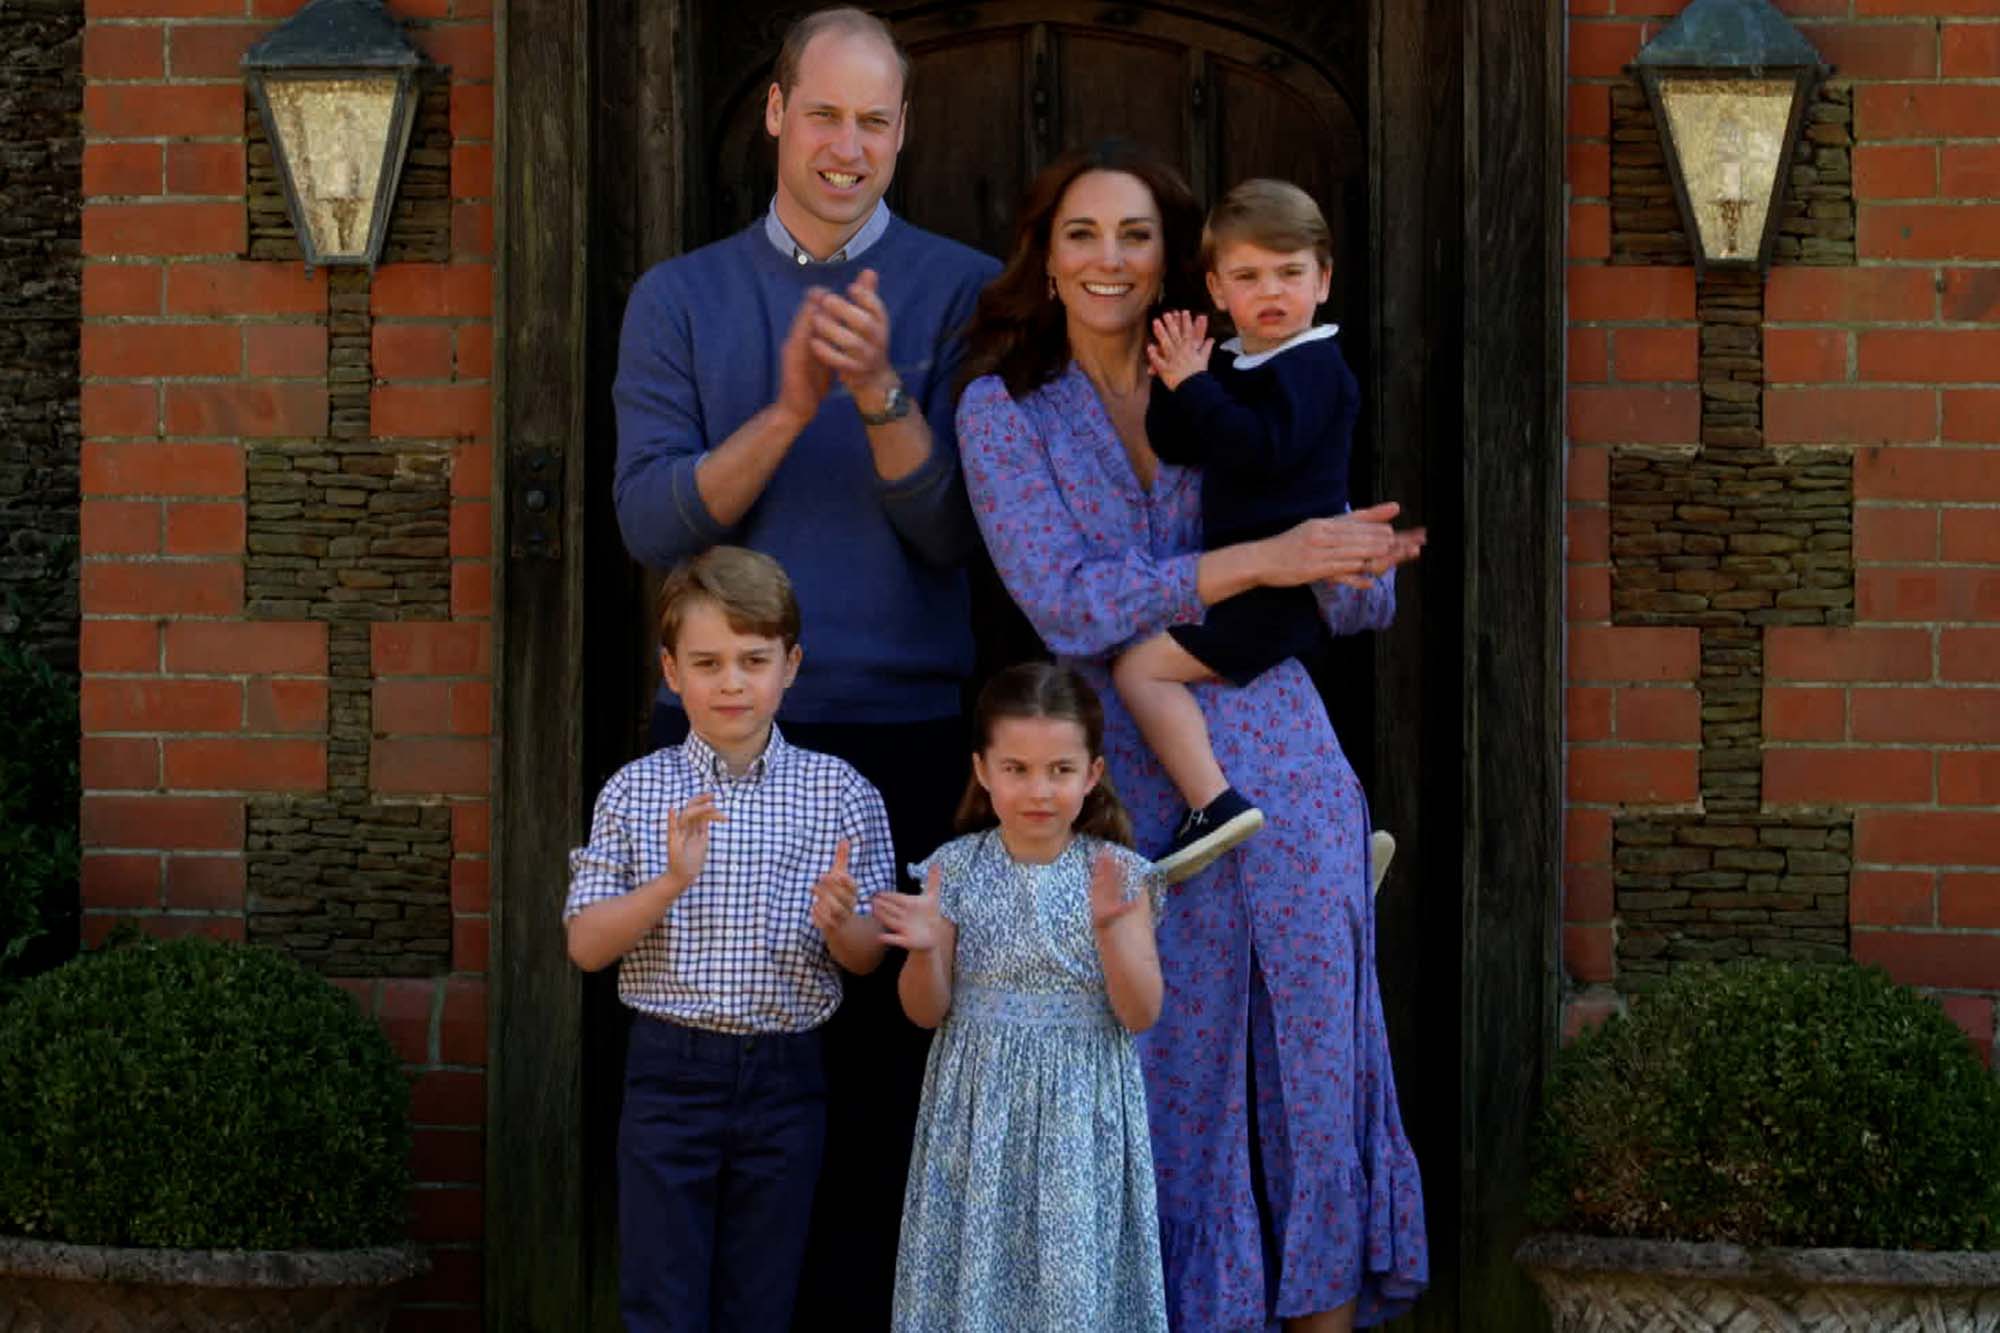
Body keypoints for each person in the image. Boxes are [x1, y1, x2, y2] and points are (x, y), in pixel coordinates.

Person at [954, 141, 1430, 1332]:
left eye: (1133, 235)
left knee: (1319, 1065)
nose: (1107, 259)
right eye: (1081, 234)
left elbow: (1335, 579)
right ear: (1044, 258)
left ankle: (1325, 1313)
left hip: (1283, 744)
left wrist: (1353, 560)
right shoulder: (1001, 407)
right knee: (1169, 1075)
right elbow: (1064, 600)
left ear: (1178, 263)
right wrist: (1264, 559)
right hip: (1123, 775)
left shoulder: (1241, 365)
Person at [609, 8, 1000, 1323]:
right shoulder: (681, 297)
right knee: (707, 1098)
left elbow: (957, 534)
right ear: (775, 113)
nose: (847, 145)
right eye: (822, 114)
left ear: (903, 133)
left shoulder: (964, 292)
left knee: (882, 1096)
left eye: (874, 120)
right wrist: (786, 408)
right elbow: (654, 524)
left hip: (899, 733)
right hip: (717, 742)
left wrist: (883, 393)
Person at [563, 546, 891, 1332]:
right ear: (671, 671)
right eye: (708, 662)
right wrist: (670, 882)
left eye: (754, 660)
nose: (733, 682)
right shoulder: (637, 791)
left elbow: (869, 955)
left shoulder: (840, 791)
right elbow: (585, 945)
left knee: (762, 1298)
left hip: (786, 1074)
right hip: (670, 1070)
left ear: (791, 665)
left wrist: (842, 921)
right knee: (661, 1296)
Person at [876, 662, 1168, 1332]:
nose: (1039, 789)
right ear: (983, 769)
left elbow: (1141, 1012)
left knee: (1073, 1289)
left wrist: (1112, 932)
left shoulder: (1118, 873)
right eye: (1016, 768)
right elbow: (924, 1010)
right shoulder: (956, 867)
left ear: (1091, 773)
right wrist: (924, 947)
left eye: (1060, 770)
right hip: (978, 1113)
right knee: (978, 1280)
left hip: (1079, 1112)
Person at [1114, 179, 1362, 883]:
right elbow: (1179, 441)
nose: (1272, 291)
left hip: (1279, 591)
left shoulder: (1316, 367)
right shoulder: (1234, 361)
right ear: (1218, 290)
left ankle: (1212, 804)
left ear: (1324, 279)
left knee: (1140, 668)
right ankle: (1327, 841)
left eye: (1290, 273)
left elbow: (1260, 449)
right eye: (1249, 276)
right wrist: (1175, 379)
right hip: (1244, 580)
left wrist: (1198, 385)